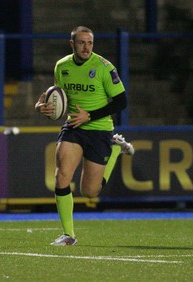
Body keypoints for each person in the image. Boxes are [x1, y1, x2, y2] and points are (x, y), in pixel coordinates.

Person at [35, 26, 134, 246]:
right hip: (73, 127)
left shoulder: (104, 67)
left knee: (90, 192)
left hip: (99, 130)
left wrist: (89, 116)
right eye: (81, 43)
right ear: (72, 44)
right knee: (61, 176)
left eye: (89, 43)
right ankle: (68, 235)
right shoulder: (62, 66)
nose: (86, 47)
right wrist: (42, 107)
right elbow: (57, 97)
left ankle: (116, 148)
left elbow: (121, 102)